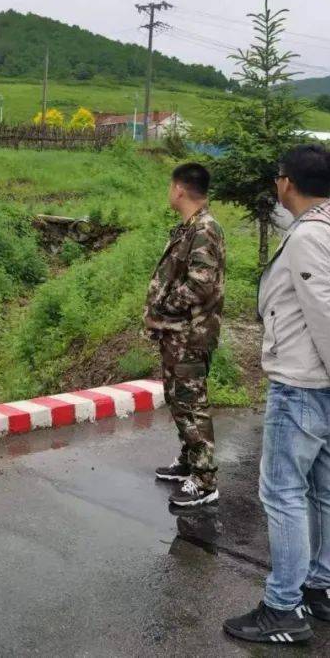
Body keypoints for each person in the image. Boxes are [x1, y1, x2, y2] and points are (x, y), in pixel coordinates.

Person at [224, 144, 330, 645]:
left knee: (283, 492)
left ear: (285, 182)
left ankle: (282, 608)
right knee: (325, 489)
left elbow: (327, 316)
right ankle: (321, 591)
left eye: (278, 177)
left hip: (306, 384)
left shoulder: (311, 236)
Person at [145, 162, 226, 508]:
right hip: (176, 333)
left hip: (190, 334)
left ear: (180, 189)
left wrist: (163, 307)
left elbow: (200, 283)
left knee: (192, 404)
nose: (169, 192)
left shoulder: (205, 229)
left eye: (170, 186)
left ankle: (205, 481)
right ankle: (189, 460)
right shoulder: (189, 227)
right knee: (178, 399)